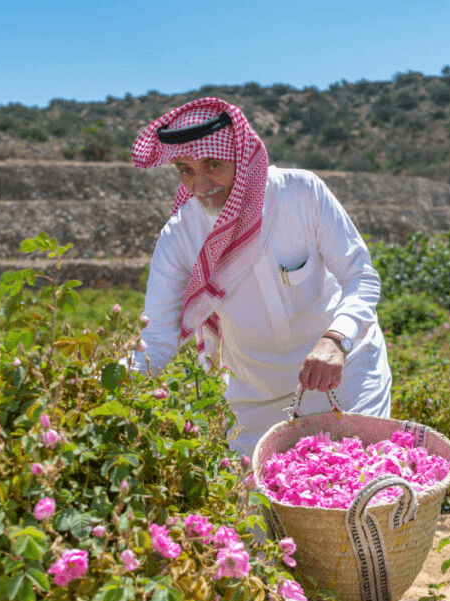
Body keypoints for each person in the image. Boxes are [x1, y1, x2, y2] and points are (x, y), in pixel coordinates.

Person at [130, 97, 392, 457]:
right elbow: (158, 336)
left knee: (358, 493)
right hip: (256, 401)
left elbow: (361, 277)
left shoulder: (301, 194)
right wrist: (102, 388)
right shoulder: (180, 237)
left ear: (241, 155)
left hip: (346, 375)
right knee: (265, 509)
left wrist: (337, 339)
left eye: (213, 165)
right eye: (185, 170)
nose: (201, 185)